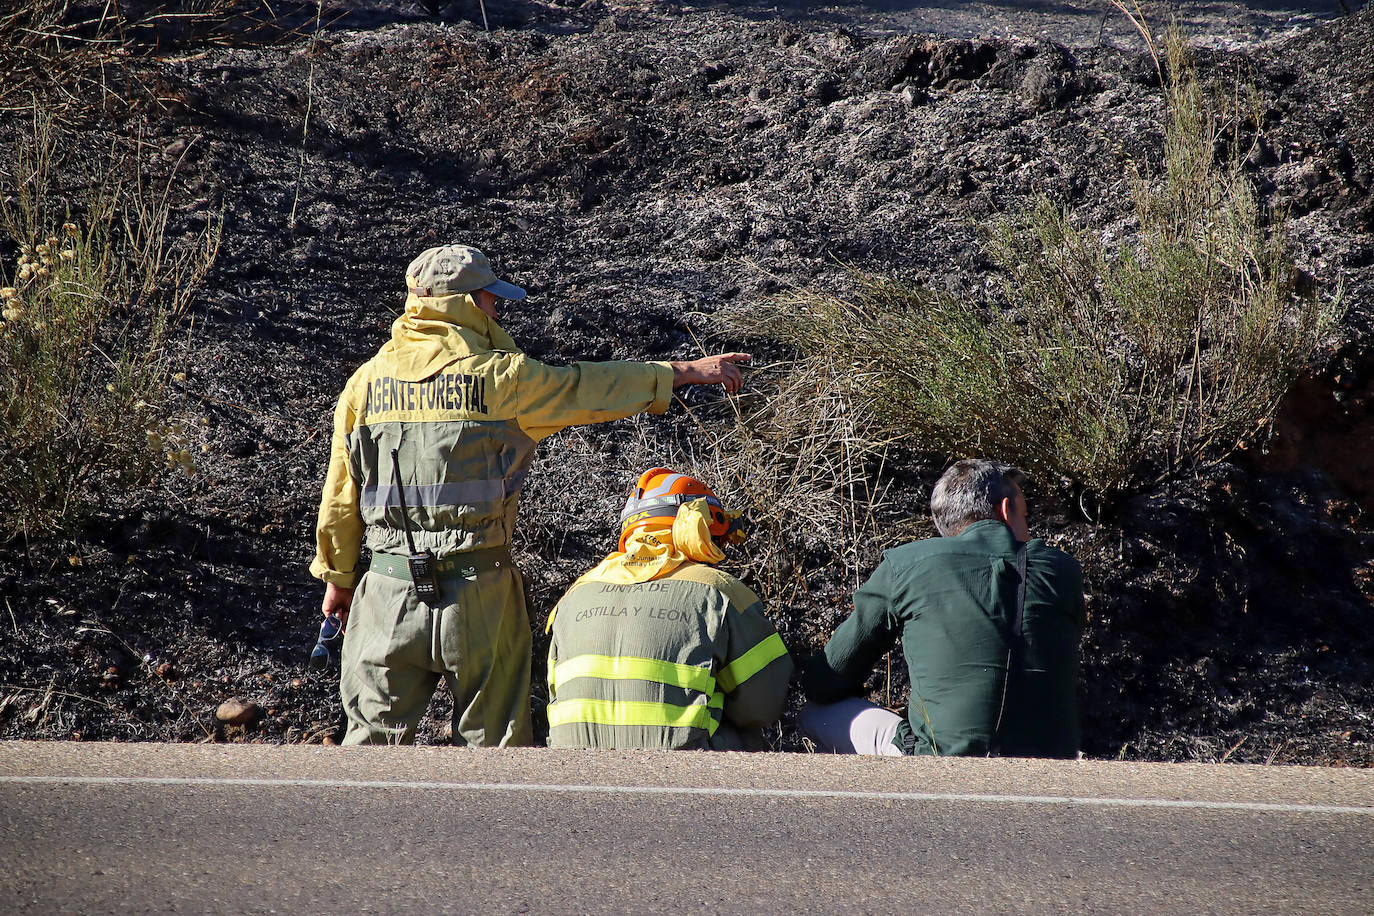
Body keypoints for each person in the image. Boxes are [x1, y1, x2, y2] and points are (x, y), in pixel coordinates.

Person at [310, 245, 751, 746]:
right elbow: (592, 388)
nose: (497, 310)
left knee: (369, 759)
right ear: (467, 304)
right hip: (477, 592)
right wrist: (686, 371)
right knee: (495, 759)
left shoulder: (363, 387)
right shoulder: (503, 379)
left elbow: (340, 500)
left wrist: (338, 579)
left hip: (386, 593)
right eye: (491, 300)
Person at [798, 459, 1084, 757]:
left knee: (815, 713)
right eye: (1026, 517)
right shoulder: (1063, 571)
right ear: (1005, 511)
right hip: (1051, 763)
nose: (1029, 530)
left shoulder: (908, 565)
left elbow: (822, 682)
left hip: (942, 764)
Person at [545, 468, 792, 750]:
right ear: (695, 523)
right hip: (679, 776)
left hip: (573, 772)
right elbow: (761, 707)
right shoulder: (720, 592)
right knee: (748, 740)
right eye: (715, 536)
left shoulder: (574, 595)